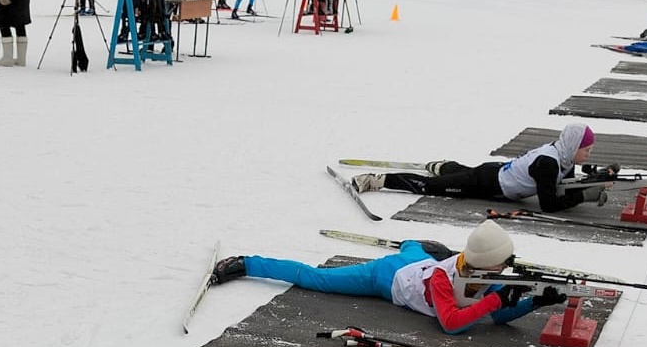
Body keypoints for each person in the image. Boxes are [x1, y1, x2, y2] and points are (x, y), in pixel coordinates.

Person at [211, 220, 567, 335]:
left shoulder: (486, 274)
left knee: (416, 250)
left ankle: (416, 244)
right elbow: (451, 324)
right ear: (486, 264)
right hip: (386, 278)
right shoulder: (444, 280)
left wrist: (533, 302)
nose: (504, 271)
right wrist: (493, 300)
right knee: (318, 279)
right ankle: (248, 263)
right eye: (501, 264)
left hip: (420, 262)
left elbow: (500, 316)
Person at [350, 123, 604, 213]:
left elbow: (563, 189)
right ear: (573, 145)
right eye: (587, 150)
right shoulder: (549, 163)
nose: (589, 154)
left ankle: (444, 167)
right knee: (431, 187)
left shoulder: (564, 157)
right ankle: (378, 180)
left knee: (464, 174)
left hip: (493, 174)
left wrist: (596, 181)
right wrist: (584, 196)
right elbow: (548, 204)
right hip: (486, 183)